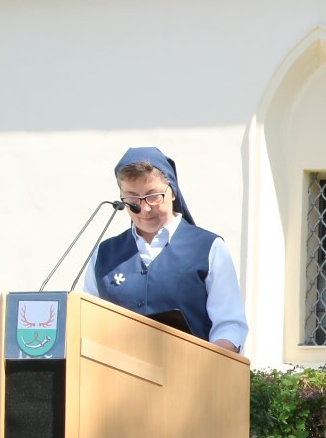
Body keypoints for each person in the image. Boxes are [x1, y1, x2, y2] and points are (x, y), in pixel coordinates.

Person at [80, 146, 247, 353]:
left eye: (153, 196)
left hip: (188, 370)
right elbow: (87, 323)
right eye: (132, 198)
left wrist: (211, 361)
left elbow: (229, 325)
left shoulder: (208, 248)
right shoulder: (103, 254)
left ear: (173, 191)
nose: (145, 208)